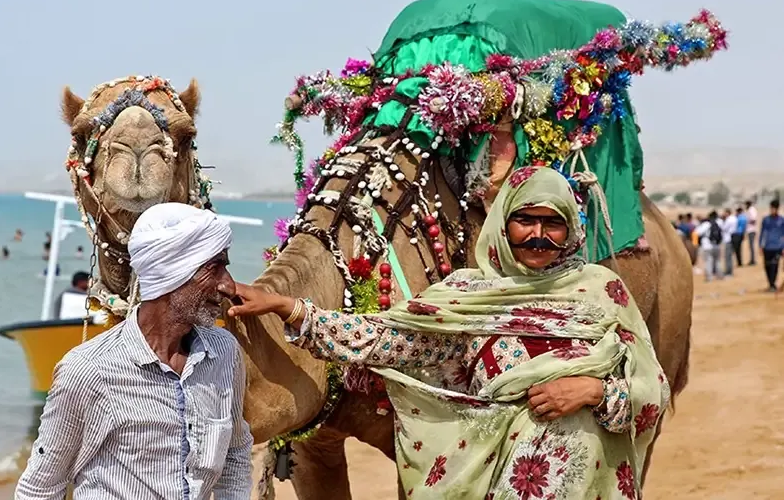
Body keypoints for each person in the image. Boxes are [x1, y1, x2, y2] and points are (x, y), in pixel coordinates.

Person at [231, 166, 668, 499]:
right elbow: (384, 338)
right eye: (525, 221)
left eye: (552, 223)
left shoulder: (602, 291)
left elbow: (653, 393)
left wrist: (594, 391)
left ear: (571, 228)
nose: (538, 236)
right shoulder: (466, 296)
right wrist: (289, 308)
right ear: (503, 225)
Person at [16, 203, 252, 499]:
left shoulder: (225, 353)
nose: (229, 286)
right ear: (171, 276)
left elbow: (236, 452)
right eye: (214, 268)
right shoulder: (89, 371)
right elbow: (40, 488)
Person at [759, 199, 784, 292]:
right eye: (771, 208)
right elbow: (762, 233)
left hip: (777, 247)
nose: (773, 210)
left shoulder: (781, 220)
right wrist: (760, 245)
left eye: (774, 209)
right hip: (767, 246)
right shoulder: (766, 220)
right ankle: (770, 284)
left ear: (777, 209)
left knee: (775, 266)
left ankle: (773, 285)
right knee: (767, 266)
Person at [694, 211, 724, 281]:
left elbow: (697, 232)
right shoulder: (720, 223)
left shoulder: (706, 224)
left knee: (708, 261)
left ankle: (709, 277)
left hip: (707, 245)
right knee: (717, 261)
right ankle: (720, 276)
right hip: (717, 245)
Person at [721, 208, 737, 276]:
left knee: (727, 257)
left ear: (727, 212)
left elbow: (724, 228)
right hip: (732, 238)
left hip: (728, 239)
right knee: (730, 256)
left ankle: (728, 272)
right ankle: (729, 271)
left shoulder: (729, 219)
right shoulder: (734, 218)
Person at [746, 200, 759, 265]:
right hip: (750, 230)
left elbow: (754, 220)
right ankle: (752, 259)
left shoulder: (751, 210)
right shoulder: (750, 210)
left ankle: (753, 260)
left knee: (751, 246)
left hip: (752, 230)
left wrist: (747, 222)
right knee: (750, 246)